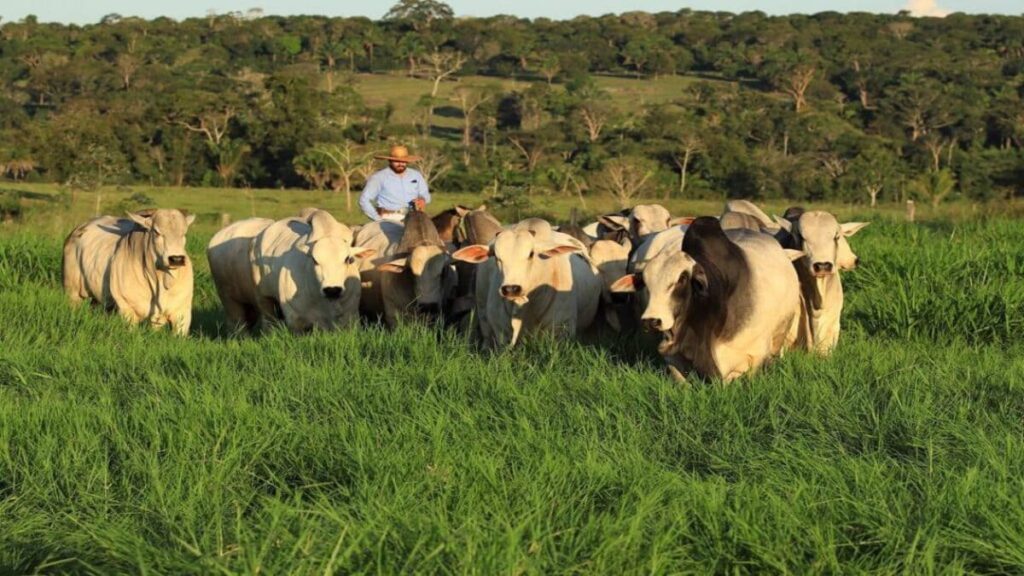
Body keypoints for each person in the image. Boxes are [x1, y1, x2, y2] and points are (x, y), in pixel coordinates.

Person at [359, 145, 431, 222]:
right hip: (389, 218)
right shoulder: (379, 177)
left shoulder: (416, 175)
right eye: (396, 161)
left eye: (403, 161)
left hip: (413, 218)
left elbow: (426, 195)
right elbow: (364, 200)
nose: (400, 164)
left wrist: (422, 200)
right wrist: (377, 219)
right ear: (390, 161)